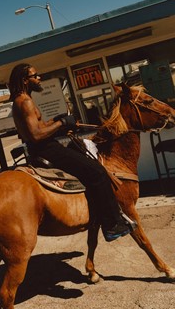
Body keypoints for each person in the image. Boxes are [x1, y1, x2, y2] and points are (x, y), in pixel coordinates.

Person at [8, 63, 135, 242]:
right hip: (47, 148)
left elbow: (40, 127)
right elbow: (36, 135)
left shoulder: (21, 100)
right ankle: (112, 225)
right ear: (24, 80)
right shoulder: (25, 102)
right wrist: (62, 124)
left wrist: (58, 120)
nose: (39, 78)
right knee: (96, 171)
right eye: (35, 76)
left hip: (44, 146)